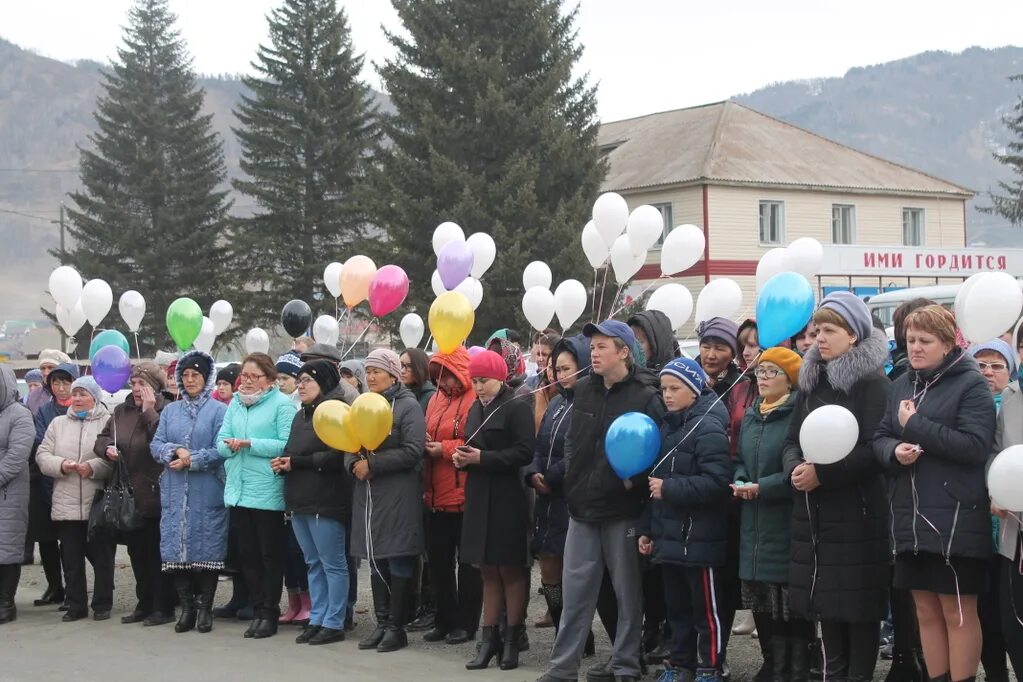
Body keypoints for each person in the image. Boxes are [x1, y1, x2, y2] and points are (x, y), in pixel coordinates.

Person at [875, 305, 997, 682]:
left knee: (957, 612)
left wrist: (916, 426)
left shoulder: (971, 384)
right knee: (925, 611)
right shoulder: (900, 384)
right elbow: (879, 437)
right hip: (910, 517)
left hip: (955, 517)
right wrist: (893, 452)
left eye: (924, 341)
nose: (915, 347)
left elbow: (975, 446)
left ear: (947, 344)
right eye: (911, 340)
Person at [538, 320, 664, 682]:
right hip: (581, 508)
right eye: (592, 347)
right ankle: (563, 668)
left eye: (602, 346)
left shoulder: (645, 395)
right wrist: (574, 483)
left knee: (627, 594)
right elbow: (573, 444)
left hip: (623, 510)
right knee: (576, 592)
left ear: (624, 351)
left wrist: (632, 483)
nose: (593, 353)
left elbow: (656, 450)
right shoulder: (582, 390)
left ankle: (626, 664)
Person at [783, 291, 892, 682]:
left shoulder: (874, 386)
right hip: (815, 517)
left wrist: (823, 475)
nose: (819, 339)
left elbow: (872, 450)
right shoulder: (811, 384)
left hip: (858, 515)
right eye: (816, 331)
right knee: (826, 608)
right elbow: (793, 439)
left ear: (855, 336)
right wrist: (795, 467)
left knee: (859, 611)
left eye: (829, 330)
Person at [638, 357, 732, 682]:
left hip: (700, 540)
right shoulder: (666, 427)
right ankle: (681, 665)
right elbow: (653, 484)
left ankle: (710, 667)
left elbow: (718, 482)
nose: (667, 394)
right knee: (676, 611)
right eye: (664, 388)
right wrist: (647, 529)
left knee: (705, 611)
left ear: (694, 389)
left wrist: (672, 489)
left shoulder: (709, 426)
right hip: (669, 538)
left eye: (675, 388)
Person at [733, 347, 811, 681]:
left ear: (789, 379)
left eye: (771, 372)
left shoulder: (798, 415)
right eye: (759, 372)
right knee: (761, 598)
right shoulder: (752, 413)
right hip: (753, 518)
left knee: (791, 599)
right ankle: (773, 662)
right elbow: (740, 459)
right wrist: (739, 479)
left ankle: (798, 666)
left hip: (784, 516)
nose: (762, 378)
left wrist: (763, 486)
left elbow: (798, 468)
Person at [457, 350, 536, 671]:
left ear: (500, 378)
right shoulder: (475, 408)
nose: (478, 387)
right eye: (474, 381)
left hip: (508, 497)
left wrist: (482, 459)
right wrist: (462, 458)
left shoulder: (516, 406)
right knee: (487, 568)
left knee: (510, 569)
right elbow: (468, 441)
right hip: (479, 495)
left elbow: (524, 451)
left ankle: (511, 640)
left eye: (484, 381)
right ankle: (487, 641)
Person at [347, 349, 426, 654]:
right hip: (368, 494)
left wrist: (374, 464)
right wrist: (352, 463)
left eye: (377, 370)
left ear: (393, 374)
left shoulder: (407, 406)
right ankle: (381, 623)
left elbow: (413, 449)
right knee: (375, 557)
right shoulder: (362, 404)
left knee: (398, 557)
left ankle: (397, 627)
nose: (371, 376)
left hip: (398, 494)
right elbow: (349, 441)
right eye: (368, 370)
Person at [271, 360, 352, 646]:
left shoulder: (336, 412)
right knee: (312, 563)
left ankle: (334, 621)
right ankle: (317, 617)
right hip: (300, 500)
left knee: (332, 564)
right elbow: (292, 448)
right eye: (300, 380)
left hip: (326, 500)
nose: (301, 385)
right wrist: (283, 460)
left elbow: (337, 456)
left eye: (307, 380)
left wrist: (297, 463)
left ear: (324, 383)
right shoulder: (300, 415)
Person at [217, 352, 295, 639]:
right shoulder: (235, 404)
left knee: (269, 554)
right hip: (238, 490)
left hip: (267, 489)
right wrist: (230, 447)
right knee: (247, 555)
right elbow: (220, 440)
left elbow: (286, 444)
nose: (247, 382)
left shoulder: (282, 405)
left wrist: (250, 443)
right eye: (244, 376)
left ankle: (269, 611)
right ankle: (257, 606)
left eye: (253, 376)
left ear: (270, 379)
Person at [151, 351, 229, 634]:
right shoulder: (171, 411)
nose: (190, 379)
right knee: (178, 551)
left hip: (206, 489)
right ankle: (187, 608)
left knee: (207, 549)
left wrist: (192, 459)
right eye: (185, 375)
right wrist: (174, 451)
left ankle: (205, 608)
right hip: (174, 490)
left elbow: (221, 450)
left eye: (196, 374)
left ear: (206, 377)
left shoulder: (220, 411)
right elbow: (156, 444)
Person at [93, 361, 173, 627]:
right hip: (129, 493)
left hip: (155, 490)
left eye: (143, 384)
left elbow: (163, 441)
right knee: (137, 554)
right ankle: (144, 602)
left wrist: (149, 411)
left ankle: (163, 606)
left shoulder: (166, 409)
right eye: (134, 383)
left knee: (156, 553)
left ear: (155, 386)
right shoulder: (120, 411)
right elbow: (102, 438)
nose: (137, 388)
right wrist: (107, 449)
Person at [35, 376, 114, 622]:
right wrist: (62, 465)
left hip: (97, 502)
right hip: (65, 502)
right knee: (70, 558)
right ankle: (75, 604)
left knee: (102, 557)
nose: (78, 398)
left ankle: (102, 603)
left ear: (95, 397)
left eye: (83, 394)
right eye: (75, 393)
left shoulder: (108, 422)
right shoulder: (58, 423)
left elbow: (113, 459)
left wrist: (92, 468)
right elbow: (42, 455)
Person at [527, 336, 590, 640]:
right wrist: (534, 473)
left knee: (572, 572)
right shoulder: (555, 404)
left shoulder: (589, 404)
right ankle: (560, 627)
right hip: (546, 500)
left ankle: (579, 634)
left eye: (567, 368)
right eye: (557, 369)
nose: (561, 375)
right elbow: (539, 445)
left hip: (570, 499)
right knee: (549, 570)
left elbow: (580, 452)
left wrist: (550, 477)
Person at [422, 346, 482, 645]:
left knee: (468, 565)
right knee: (439, 563)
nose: (444, 383)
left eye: (448, 375)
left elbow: (475, 440)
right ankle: (444, 619)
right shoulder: (434, 399)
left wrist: (443, 449)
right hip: (435, 493)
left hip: (463, 493)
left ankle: (467, 623)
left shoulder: (475, 399)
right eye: (439, 377)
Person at [967, 339, 1016, 682]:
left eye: (997, 365)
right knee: (984, 607)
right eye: (980, 364)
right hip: (975, 521)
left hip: (1012, 525)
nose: (987, 372)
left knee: (1010, 608)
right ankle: (994, 672)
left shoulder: (1015, 405)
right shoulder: (967, 406)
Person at [28, 360, 78, 608]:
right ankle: (54, 585)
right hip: (45, 480)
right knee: (46, 538)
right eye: (56, 382)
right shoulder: (44, 411)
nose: (60, 387)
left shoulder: (82, 407)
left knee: (70, 541)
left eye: (65, 382)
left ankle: (73, 588)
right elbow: (39, 441)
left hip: (74, 480)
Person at [992, 345, 1023, 680]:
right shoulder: (1011, 397)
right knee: (1014, 623)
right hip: (1015, 530)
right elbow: (996, 452)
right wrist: (995, 488)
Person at [0, 365, 35, 624]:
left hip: (9, 493)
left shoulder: (19, 415)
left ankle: (6, 603)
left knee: (7, 548)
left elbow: (17, 456)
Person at [25, 349, 71, 415]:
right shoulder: (33, 396)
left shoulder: (75, 393)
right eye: (43, 368)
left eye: (50, 367)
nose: (46, 373)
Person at [401, 347, 436, 413]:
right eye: (401, 365)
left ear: (420, 368)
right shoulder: (396, 392)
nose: (402, 371)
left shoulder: (432, 396)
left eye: (409, 366)